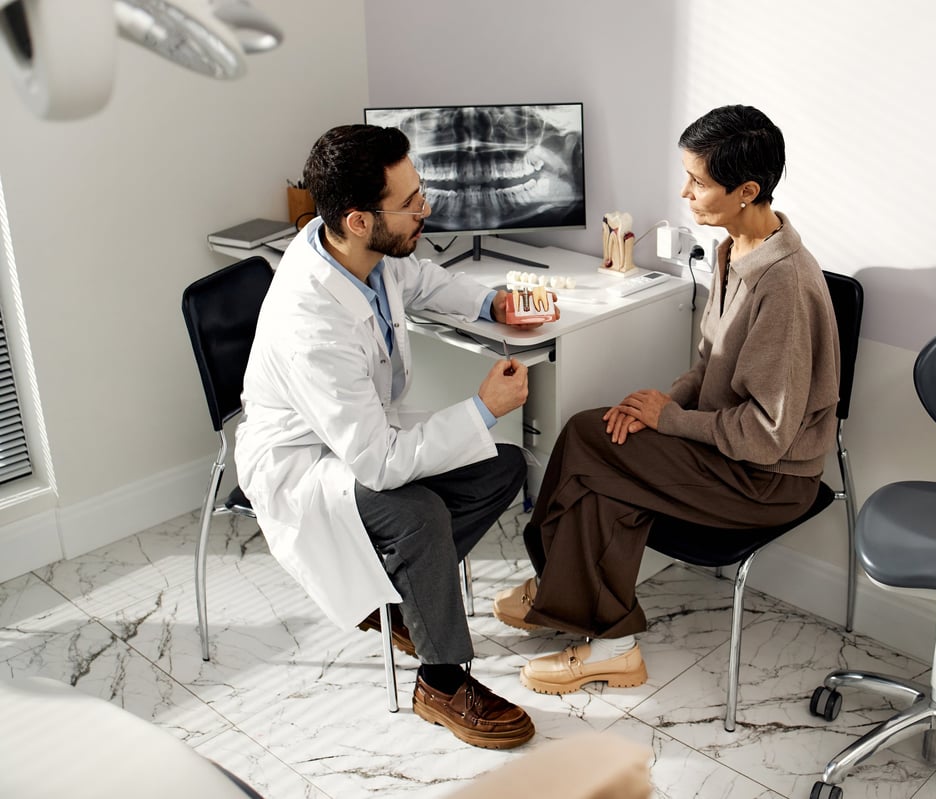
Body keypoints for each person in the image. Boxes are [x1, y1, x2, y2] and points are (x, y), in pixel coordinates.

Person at [493, 105, 841, 695]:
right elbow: (709, 362)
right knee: (603, 452)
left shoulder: (784, 285)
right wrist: (658, 403)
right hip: (726, 451)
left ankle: (571, 601)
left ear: (747, 190)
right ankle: (605, 639)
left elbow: (766, 435)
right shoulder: (735, 248)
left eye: (698, 182)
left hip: (768, 480)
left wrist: (670, 419)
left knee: (586, 439)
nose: (685, 193)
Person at [236, 124, 548, 749]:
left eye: (420, 193)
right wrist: (482, 405)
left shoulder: (358, 254)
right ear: (356, 219)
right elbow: (378, 464)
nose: (424, 210)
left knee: (503, 466)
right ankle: (440, 679)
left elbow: (422, 281)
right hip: (304, 464)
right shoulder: (312, 323)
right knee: (419, 516)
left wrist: (493, 302)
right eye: (410, 203)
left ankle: (403, 597)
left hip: (355, 436)